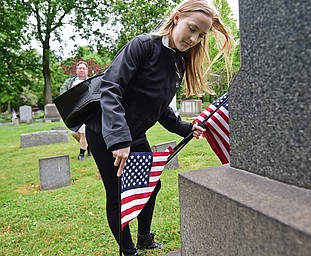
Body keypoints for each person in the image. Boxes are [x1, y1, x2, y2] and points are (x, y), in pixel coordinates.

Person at [85, 0, 235, 255]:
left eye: (201, 35)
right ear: (176, 18)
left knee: (151, 186)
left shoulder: (177, 61)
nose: (195, 38)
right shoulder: (143, 45)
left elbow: (159, 107)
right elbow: (111, 88)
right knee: (118, 194)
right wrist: (119, 140)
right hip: (105, 131)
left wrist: (185, 128)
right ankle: (129, 251)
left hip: (135, 133)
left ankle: (145, 237)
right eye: (192, 29)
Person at [60, 61, 91, 161]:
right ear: (76, 71)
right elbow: (63, 92)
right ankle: (89, 146)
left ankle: (81, 154)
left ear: (87, 71)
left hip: (86, 110)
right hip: (74, 110)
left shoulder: (91, 81)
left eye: (84, 68)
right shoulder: (69, 82)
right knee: (74, 133)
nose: (82, 70)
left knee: (83, 133)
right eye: (79, 68)